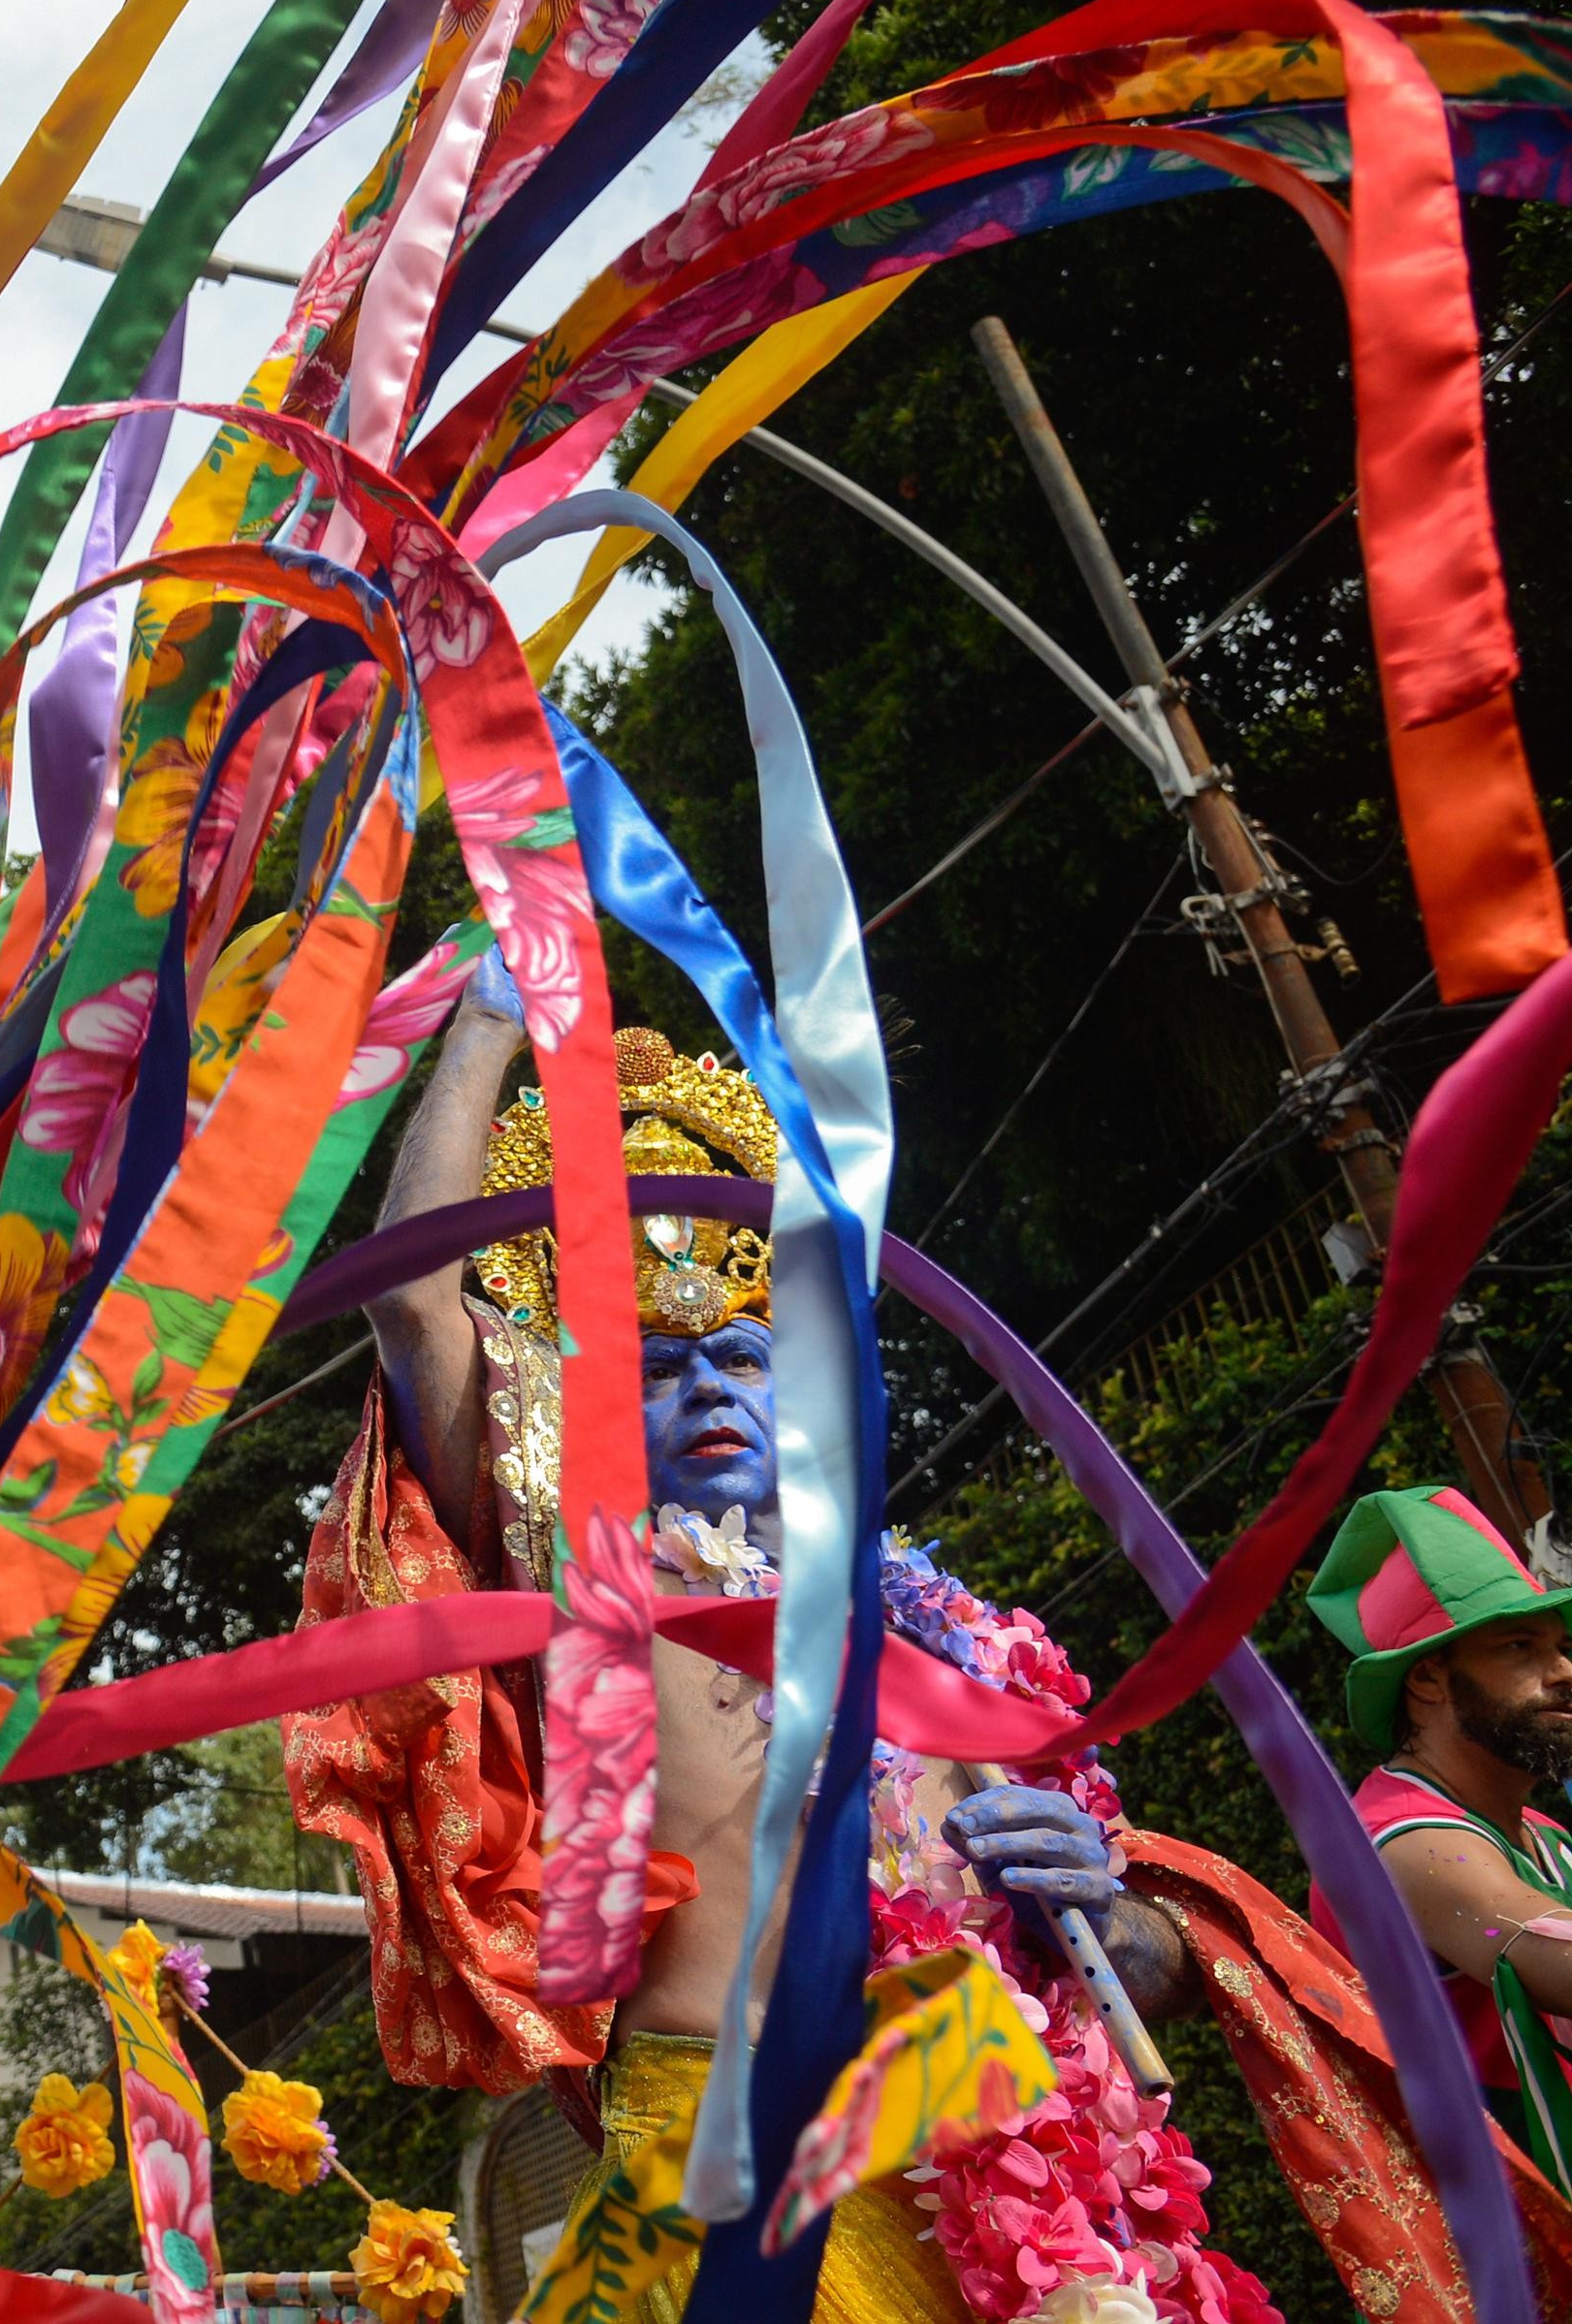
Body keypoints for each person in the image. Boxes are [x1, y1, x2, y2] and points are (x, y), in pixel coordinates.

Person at [293, 960, 1241, 2322]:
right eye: (660, 1369)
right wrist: (494, 1018)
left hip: (993, 2136)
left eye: (741, 1357)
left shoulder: (954, 1637)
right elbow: (414, 1303)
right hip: (724, 2148)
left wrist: (1104, 1910)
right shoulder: (600, 1583)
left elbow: (1145, 1974)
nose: (709, 1390)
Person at [1308, 1482, 1572, 2188]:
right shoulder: (1401, 1842)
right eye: (1521, 1646)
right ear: (1428, 1677)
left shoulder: (1541, 1833)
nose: (1564, 1670)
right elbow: (1557, 1959)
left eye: (1560, 1645)